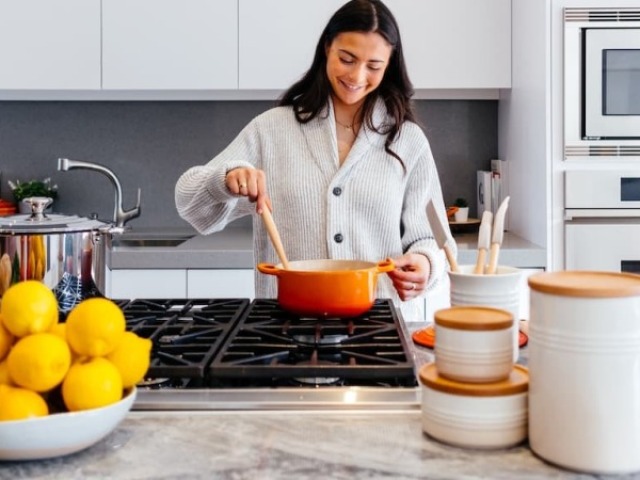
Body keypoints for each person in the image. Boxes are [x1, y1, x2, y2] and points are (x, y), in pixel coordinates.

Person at [175, 0, 456, 321]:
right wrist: (225, 180)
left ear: (389, 65)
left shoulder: (407, 140)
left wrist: (425, 264)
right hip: (284, 329)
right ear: (327, 48)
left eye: (373, 66)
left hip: (378, 330)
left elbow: (431, 239)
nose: (357, 75)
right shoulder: (272, 130)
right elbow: (189, 203)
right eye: (346, 59)